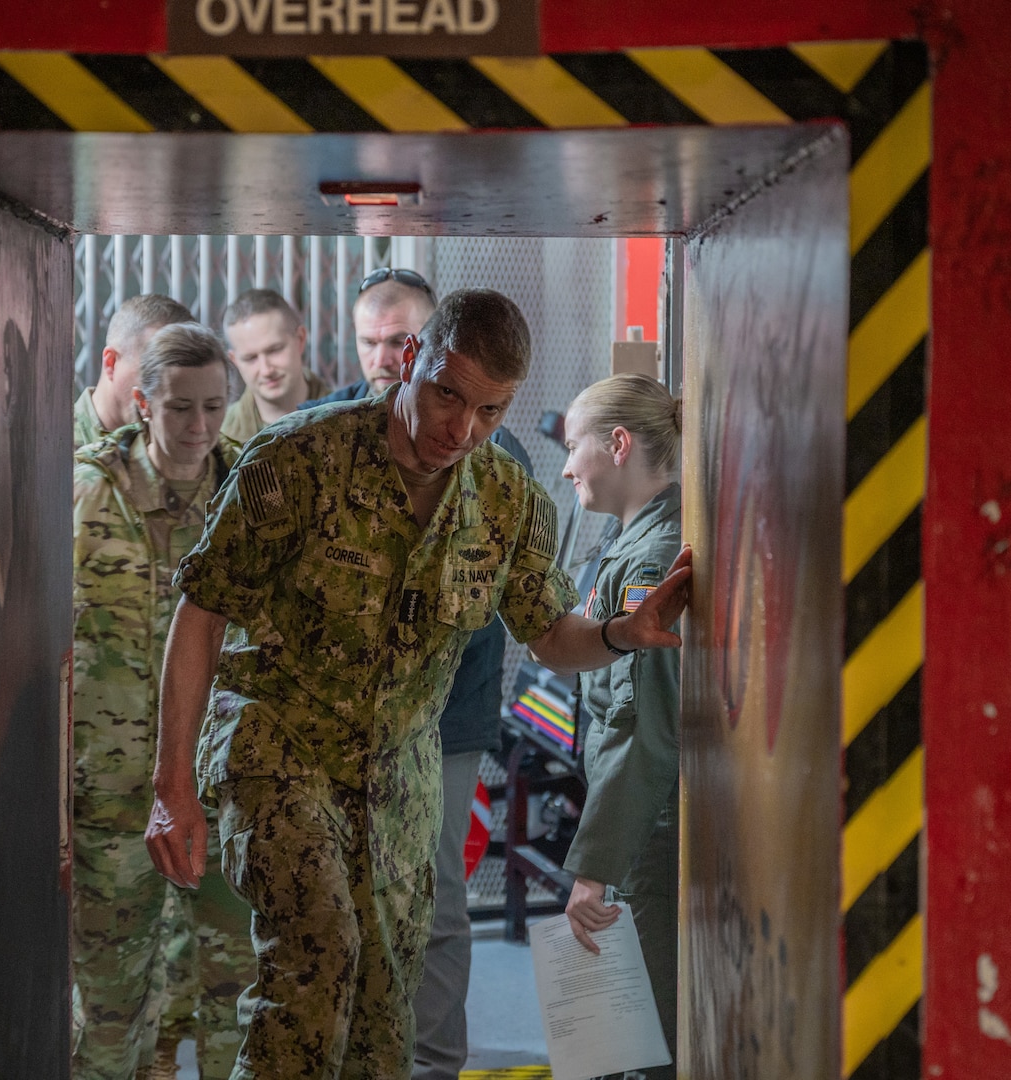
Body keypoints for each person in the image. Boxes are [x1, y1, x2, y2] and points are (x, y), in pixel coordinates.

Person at [145, 289, 694, 1080]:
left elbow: (546, 634)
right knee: (318, 953)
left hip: (399, 780)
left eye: (489, 411)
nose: (460, 429)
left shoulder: (506, 502)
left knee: (382, 1015)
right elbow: (201, 612)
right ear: (409, 361)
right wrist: (172, 783)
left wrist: (618, 635)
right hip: (280, 748)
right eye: (446, 393)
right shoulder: (298, 459)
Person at [304, 266, 535, 1080]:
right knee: (325, 907)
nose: (383, 355)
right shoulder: (314, 441)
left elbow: (536, 614)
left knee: (432, 902)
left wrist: (618, 632)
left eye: (399, 339)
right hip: (326, 731)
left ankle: (430, 1069)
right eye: (371, 340)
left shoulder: (497, 467)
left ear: (431, 342)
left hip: (444, 723)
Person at [71, 323, 256, 1080]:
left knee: (236, 991)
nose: (201, 428)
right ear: (142, 403)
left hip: (220, 786)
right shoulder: (88, 491)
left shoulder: (250, 491)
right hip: (110, 789)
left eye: (215, 407)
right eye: (181, 408)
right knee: (110, 999)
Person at [558, 374, 686, 1080]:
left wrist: (595, 868)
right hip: (637, 826)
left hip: (643, 833)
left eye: (574, 445)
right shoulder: (631, 542)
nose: (568, 465)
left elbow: (643, 730)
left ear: (617, 443)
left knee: (643, 1046)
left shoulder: (646, 561)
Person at [304, 267, 436, 407]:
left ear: (434, 339)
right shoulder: (317, 419)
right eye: (369, 343)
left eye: (399, 342)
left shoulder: (459, 417)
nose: (381, 361)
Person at [74, 293, 193, 448]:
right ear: (111, 363)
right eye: (155, 372)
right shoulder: (53, 445)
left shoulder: (190, 445)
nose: (170, 389)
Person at [219, 289, 331, 444]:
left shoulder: (350, 418)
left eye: (274, 350)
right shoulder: (219, 436)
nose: (266, 370)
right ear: (234, 360)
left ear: (300, 339)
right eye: (250, 358)